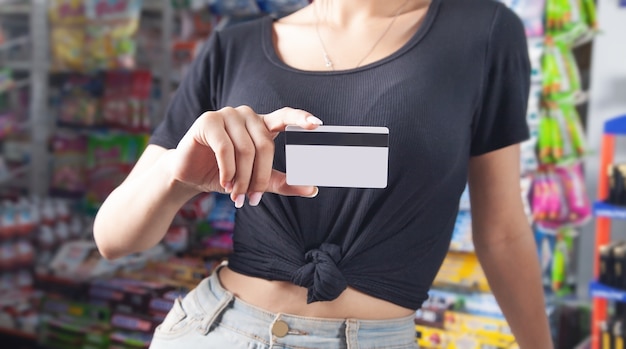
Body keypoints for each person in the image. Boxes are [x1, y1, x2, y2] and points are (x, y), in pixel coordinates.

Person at [93, 0, 554, 347]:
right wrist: (178, 179)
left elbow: (502, 232)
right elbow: (113, 238)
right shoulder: (233, 47)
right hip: (217, 328)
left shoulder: (485, 33)